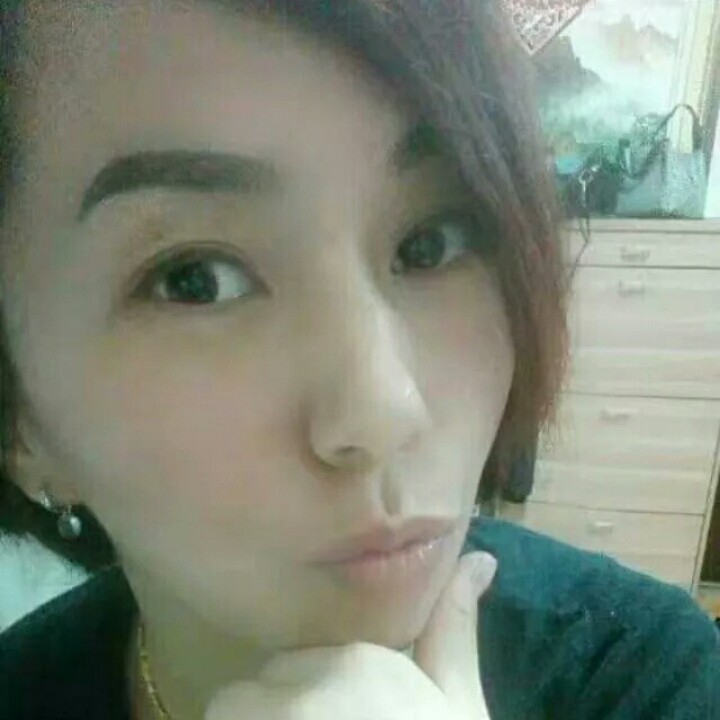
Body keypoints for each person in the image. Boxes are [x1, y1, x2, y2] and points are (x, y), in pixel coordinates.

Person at [0, 1, 717, 719]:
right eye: (195, 281)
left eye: (432, 242)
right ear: (21, 422)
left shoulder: (650, 679)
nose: (385, 410)